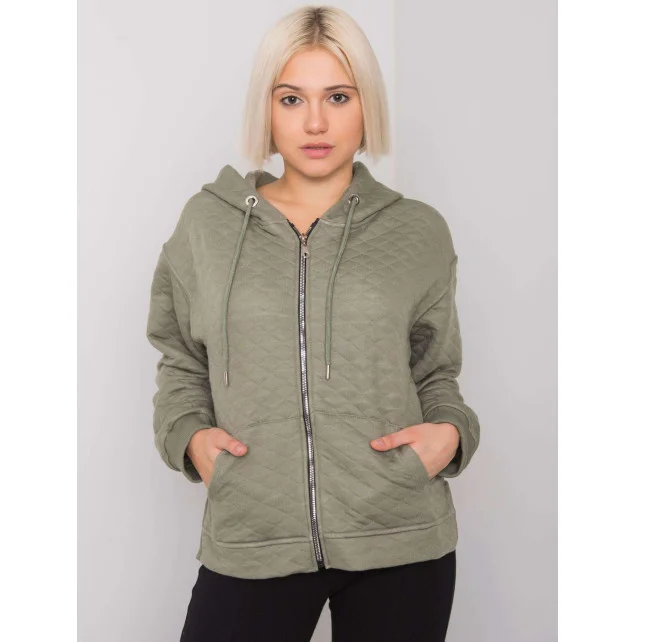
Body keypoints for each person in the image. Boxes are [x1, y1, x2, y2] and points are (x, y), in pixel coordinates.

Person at [146, 5, 480, 641]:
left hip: (400, 534)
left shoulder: (417, 230)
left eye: (339, 96)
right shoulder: (207, 225)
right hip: (254, 531)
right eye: (292, 98)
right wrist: (189, 436)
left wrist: (451, 435)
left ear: (366, 106)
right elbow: (181, 357)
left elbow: (436, 370)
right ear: (266, 110)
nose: (316, 122)